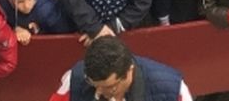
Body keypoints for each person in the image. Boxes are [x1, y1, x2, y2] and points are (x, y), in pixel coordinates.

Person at [48, 34, 194, 101]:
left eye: (110, 87)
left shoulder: (173, 90)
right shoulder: (75, 78)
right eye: (94, 85)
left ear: (129, 71)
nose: (99, 92)